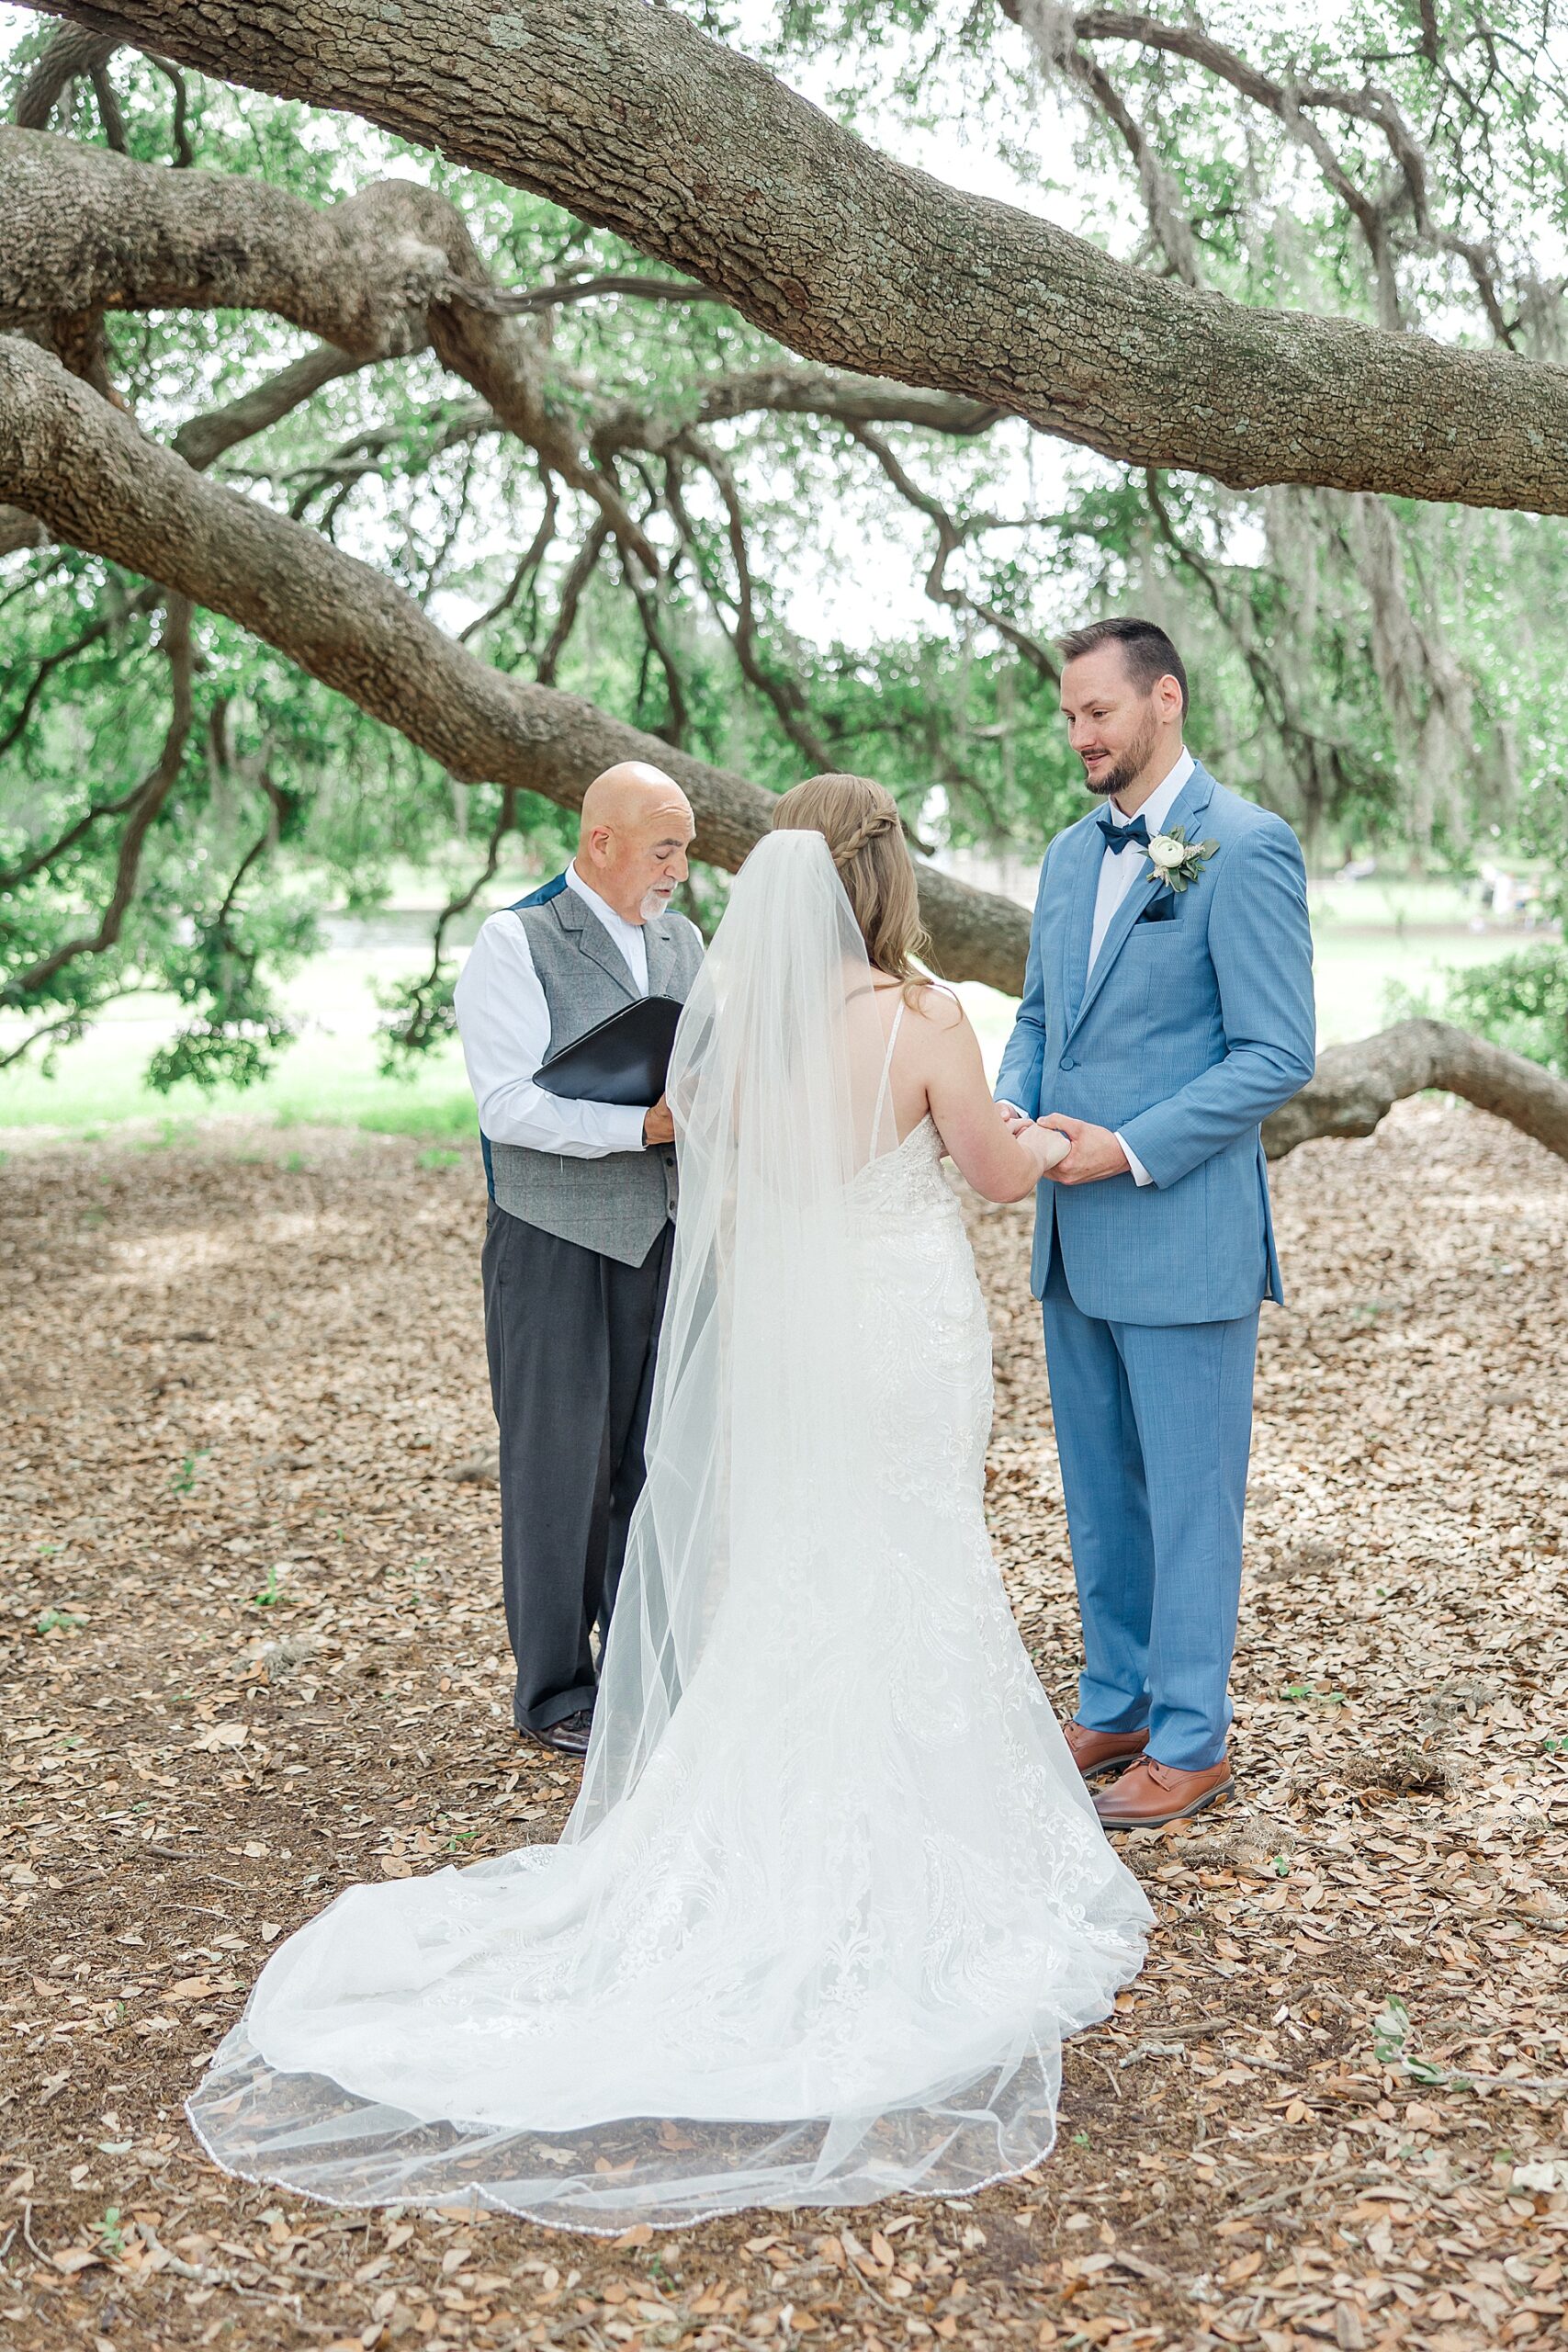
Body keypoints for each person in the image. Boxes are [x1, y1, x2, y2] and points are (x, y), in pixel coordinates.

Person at [186, 773, 1151, 2230]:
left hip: (780, 1342)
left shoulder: (735, 1041)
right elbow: (990, 1177)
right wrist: (1051, 1135)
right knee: (908, 1554)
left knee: (794, 1568)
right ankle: (904, 1839)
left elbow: (726, 1168)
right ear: (884, 882)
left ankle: (746, 1826)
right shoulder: (927, 1018)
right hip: (893, 1336)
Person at [997, 618, 1315, 1829]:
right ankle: (1117, 1699)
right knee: (1097, 1492)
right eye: (1067, 715)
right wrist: (1011, 1113)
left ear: (1163, 701)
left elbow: (1274, 1051)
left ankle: (1190, 1739)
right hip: (1066, 1238)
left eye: (1096, 712)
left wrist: (1123, 1150)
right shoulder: (1068, 855)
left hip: (1176, 1230)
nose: (1077, 734)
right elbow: (1038, 1017)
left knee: (1188, 1498)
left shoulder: (1239, 848)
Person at [452, 762, 702, 1758]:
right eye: (665, 847)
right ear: (601, 841)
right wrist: (640, 1125)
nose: (680, 869)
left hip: (665, 1233)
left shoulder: (684, 941)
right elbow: (504, 1104)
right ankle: (555, 1689)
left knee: (648, 1459)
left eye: (684, 848)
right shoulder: (513, 940)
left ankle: (636, 1664)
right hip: (552, 1237)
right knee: (558, 1463)